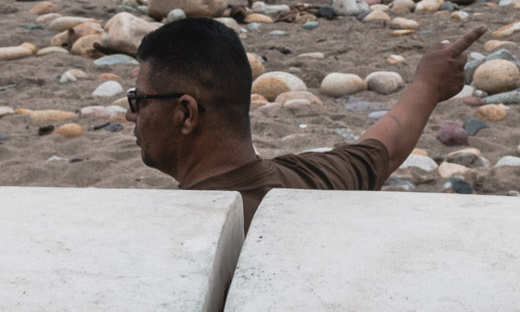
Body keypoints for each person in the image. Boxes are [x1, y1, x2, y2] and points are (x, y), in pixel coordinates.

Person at [128, 15, 486, 223]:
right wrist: (428, 84)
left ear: (186, 113)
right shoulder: (312, 180)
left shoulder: (179, 229)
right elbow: (384, 147)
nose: (131, 114)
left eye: (139, 100)